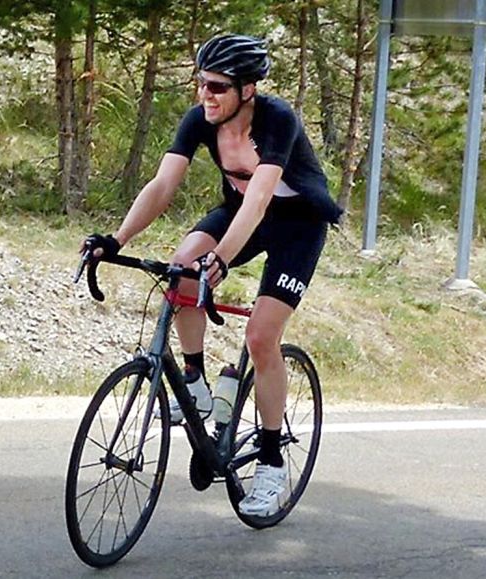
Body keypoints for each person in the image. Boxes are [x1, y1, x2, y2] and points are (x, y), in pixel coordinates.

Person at [82, 34, 342, 517]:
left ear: (247, 91)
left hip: (297, 226)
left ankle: (269, 462)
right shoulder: (200, 118)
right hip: (239, 211)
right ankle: (196, 383)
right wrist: (117, 241)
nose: (207, 95)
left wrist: (222, 258)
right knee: (181, 270)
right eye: (202, 83)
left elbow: (261, 198)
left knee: (262, 336)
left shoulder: (277, 119)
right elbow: (162, 185)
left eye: (218, 87)